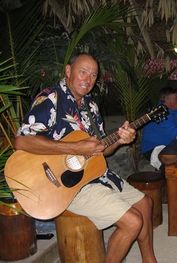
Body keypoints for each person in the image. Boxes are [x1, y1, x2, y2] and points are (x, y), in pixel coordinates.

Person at [14, 53, 157, 262]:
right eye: (83, 72)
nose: (88, 80)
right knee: (133, 222)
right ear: (68, 71)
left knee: (145, 203)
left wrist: (119, 140)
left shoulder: (91, 107)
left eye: (93, 75)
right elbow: (21, 141)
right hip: (66, 186)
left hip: (96, 175)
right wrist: (73, 147)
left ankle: (149, 259)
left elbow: (100, 150)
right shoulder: (50, 99)